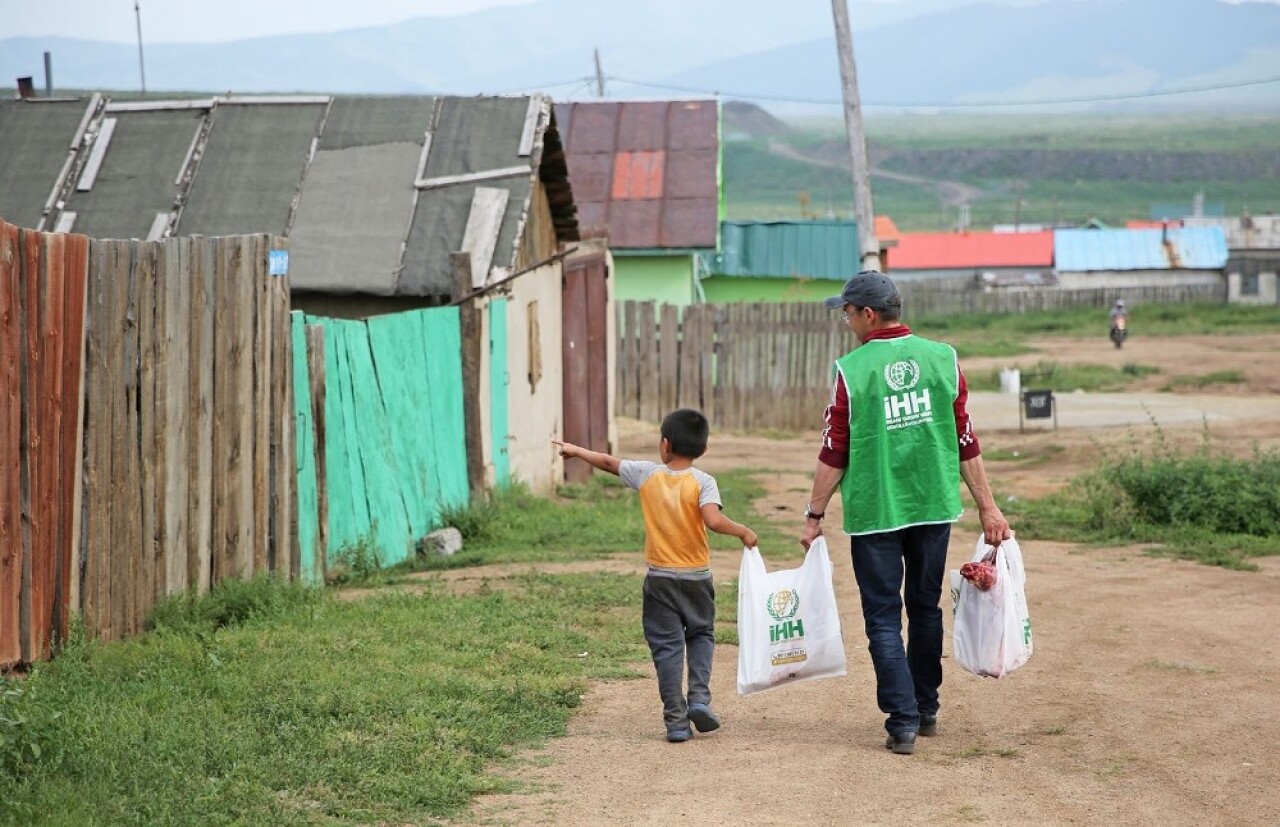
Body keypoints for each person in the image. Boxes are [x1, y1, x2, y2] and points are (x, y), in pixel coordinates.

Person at [798, 270, 1011, 756]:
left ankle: (903, 720)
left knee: (881, 615)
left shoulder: (854, 370)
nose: (847, 321)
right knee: (923, 604)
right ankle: (927, 706)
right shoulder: (943, 358)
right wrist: (987, 507)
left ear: (868, 315)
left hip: (876, 512)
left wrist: (814, 514)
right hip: (933, 505)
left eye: (849, 313)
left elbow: (836, 449)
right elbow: (965, 438)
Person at [553, 408, 758, 743]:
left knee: (667, 648)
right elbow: (714, 521)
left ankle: (676, 722)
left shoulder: (647, 474)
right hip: (696, 579)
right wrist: (743, 531)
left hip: (660, 580)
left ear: (664, 445)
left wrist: (575, 451)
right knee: (702, 635)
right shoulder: (703, 481)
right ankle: (700, 698)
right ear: (702, 450)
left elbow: (607, 462)